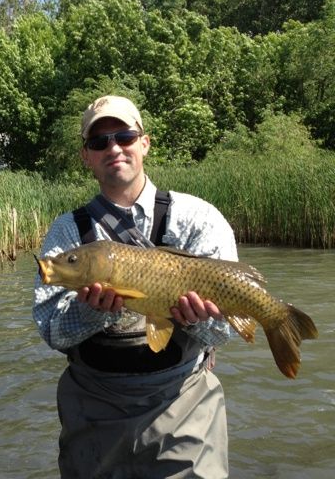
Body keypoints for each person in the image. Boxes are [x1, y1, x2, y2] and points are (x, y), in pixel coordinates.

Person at [33, 95, 238, 478]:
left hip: (184, 402)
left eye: (124, 136)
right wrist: (90, 310)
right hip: (93, 407)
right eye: (99, 142)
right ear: (86, 156)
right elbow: (51, 330)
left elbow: (222, 331)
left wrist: (194, 319)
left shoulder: (198, 218)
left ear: (144, 143)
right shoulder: (66, 231)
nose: (114, 148)